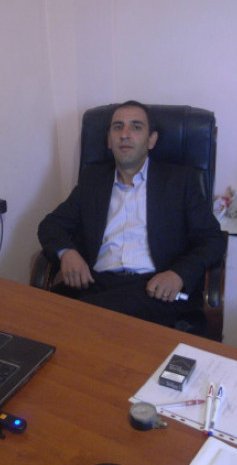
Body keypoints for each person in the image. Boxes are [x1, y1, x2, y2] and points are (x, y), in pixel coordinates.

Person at [37, 100, 227, 331]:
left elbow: (213, 239)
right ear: (109, 140)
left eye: (136, 127)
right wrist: (67, 252)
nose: (125, 134)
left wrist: (178, 275)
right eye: (118, 127)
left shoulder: (180, 181)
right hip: (97, 283)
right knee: (41, 314)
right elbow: (51, 225)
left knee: (63, 321)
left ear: (152, 140)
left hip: (153, 288)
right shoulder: (93, 180)